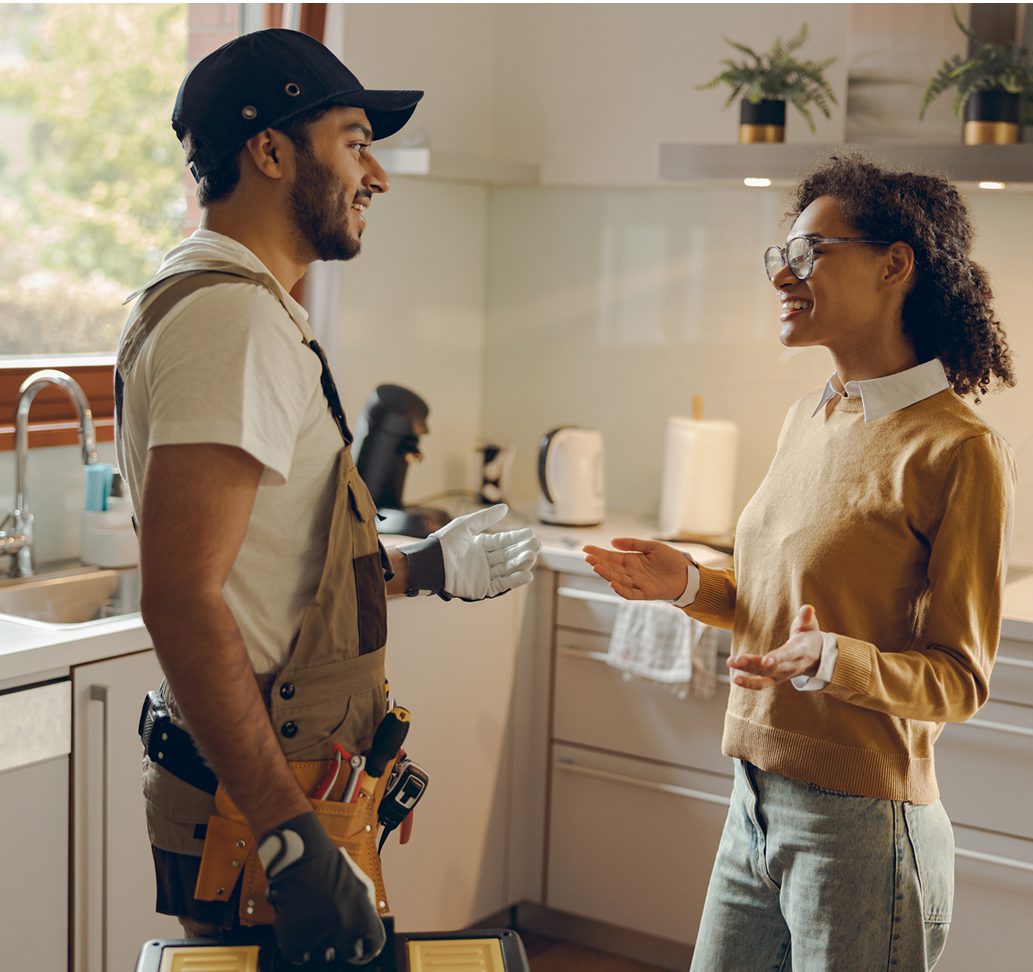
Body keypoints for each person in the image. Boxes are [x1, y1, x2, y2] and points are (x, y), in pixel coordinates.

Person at [115, 29, 541, 966]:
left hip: (295, 791)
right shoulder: (232, 320)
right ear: (269, 151)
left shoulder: (233, 305)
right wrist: (287, 836)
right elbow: (183, 599)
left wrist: (420, 566)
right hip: (265, 811)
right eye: (353, 141)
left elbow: (265, 579)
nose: (376, 175)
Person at [584, 155, 1015, 972]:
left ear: (895, 265)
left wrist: (831, 662)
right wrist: (687, 586)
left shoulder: (957, 449)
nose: (783, 274)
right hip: (751, 798)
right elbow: (779, 609)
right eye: (778, 255)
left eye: (809, 252)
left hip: (863, 826)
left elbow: (958, 680)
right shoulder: (809, 417)